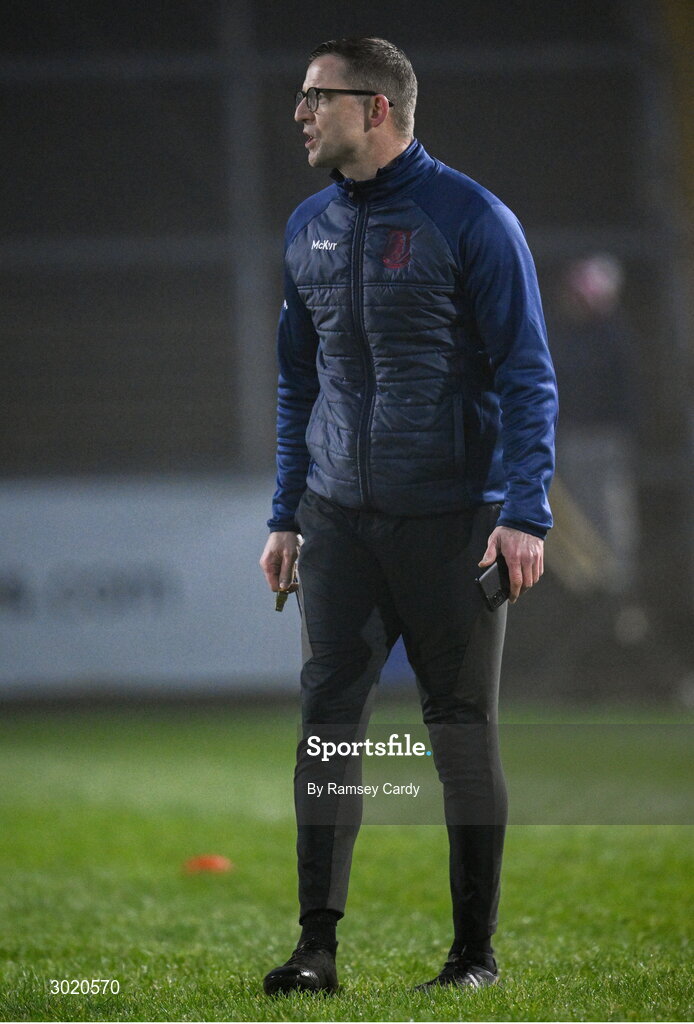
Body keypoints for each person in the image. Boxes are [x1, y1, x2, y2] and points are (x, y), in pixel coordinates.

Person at [259, 36, 557, 995]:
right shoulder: (307, 224)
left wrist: (526, 512)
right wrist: (286, 514)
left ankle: (472, 957)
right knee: (329, 727)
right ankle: (316, 951)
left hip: (453, 521)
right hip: (338, 519)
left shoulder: (473, 220)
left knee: (460, 727)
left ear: (374, 109)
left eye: (317, 97)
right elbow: (296, 383)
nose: (300, 113)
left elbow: (526, 375)